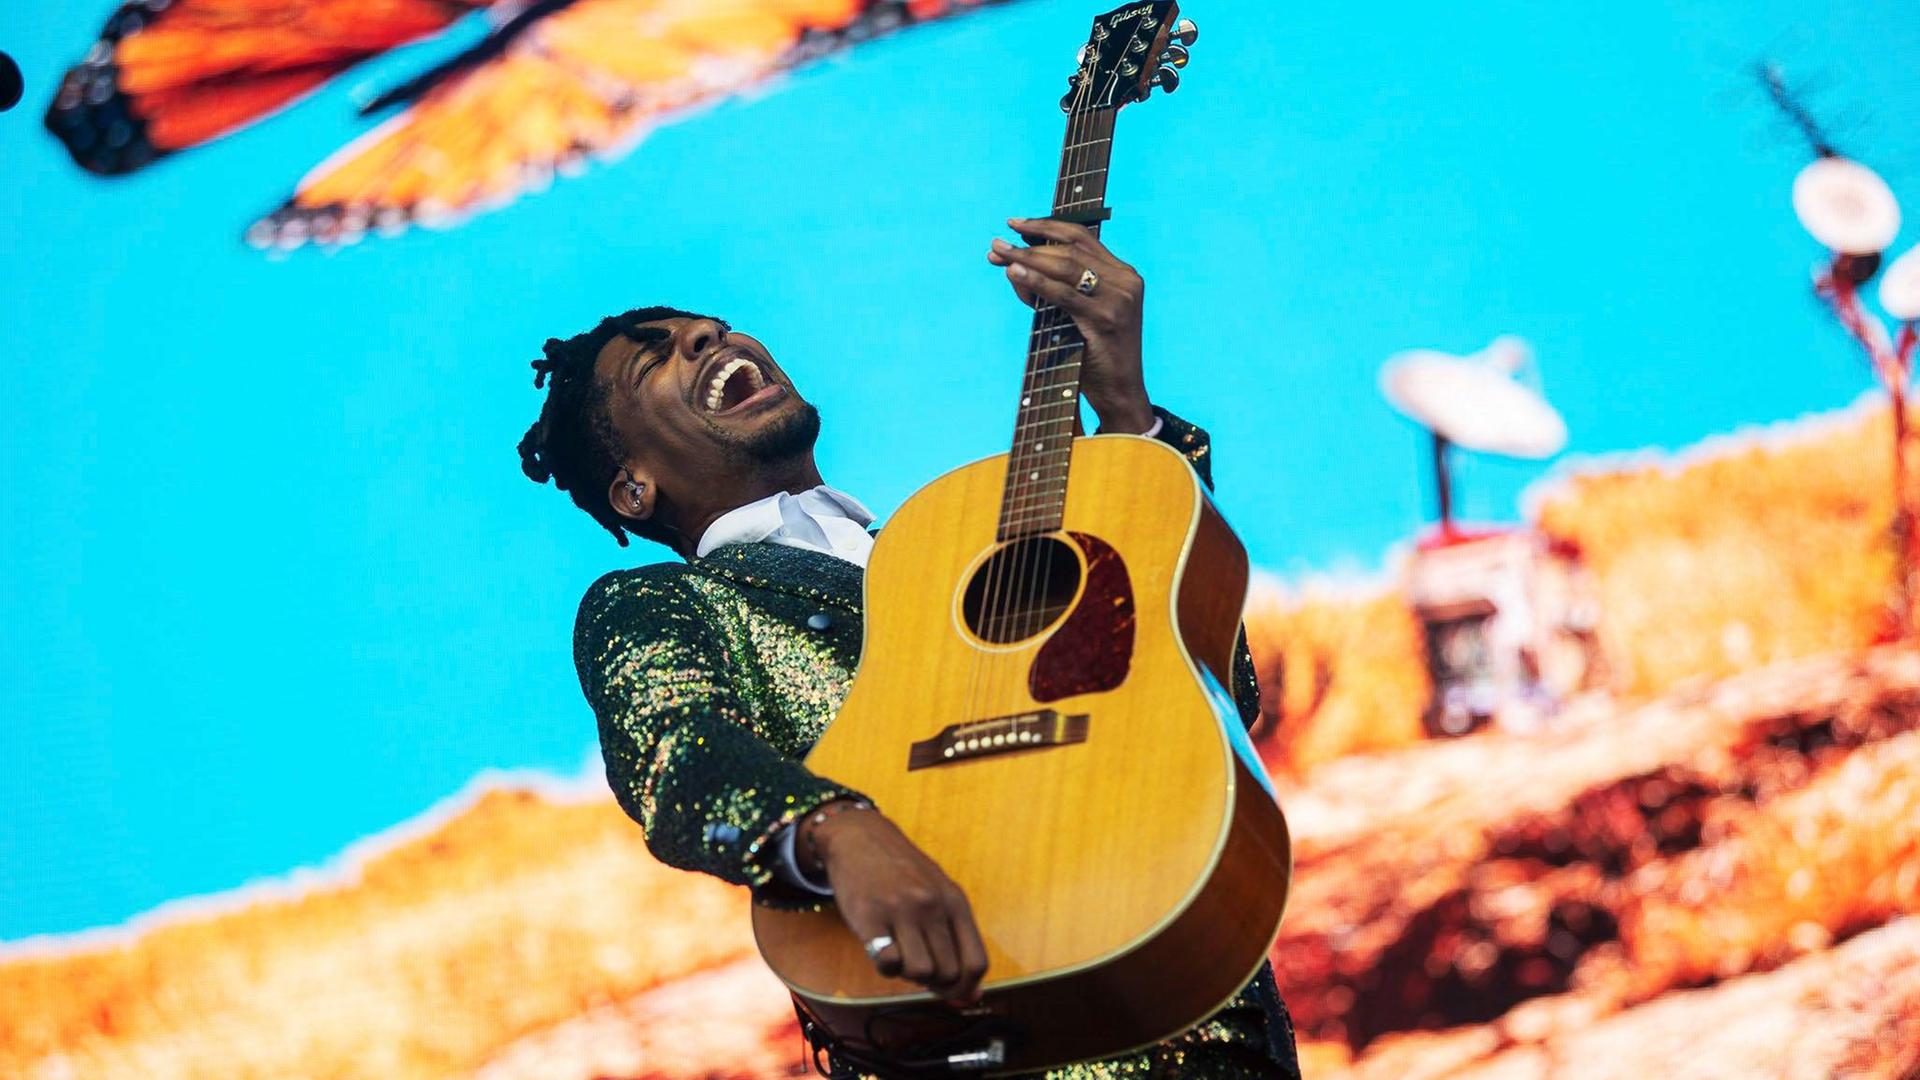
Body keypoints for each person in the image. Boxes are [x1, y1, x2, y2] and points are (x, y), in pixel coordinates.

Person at [518, 217, 1300, 1078]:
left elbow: (1216, 700)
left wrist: (1124, 411)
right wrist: (834, 829)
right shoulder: (664, 602)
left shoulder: (958, 549)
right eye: (653, 358)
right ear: (633, 486)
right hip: (958, 1034)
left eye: (706, 324)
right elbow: (675, 758)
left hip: (1204, 1023)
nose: (707, 335)